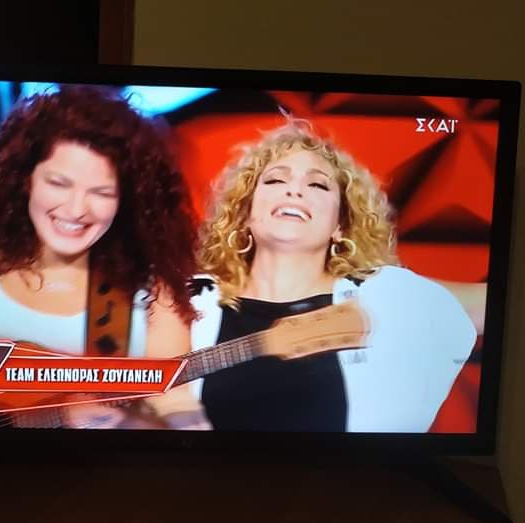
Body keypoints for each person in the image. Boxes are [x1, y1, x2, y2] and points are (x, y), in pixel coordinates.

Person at [0, 85, 206, 428]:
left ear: (124, 200)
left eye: (101, 193)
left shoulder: (152, 294)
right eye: (58, 183)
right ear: (26, 180)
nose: (76, 209)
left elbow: (176, 404)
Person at [188, 116, 477, 433]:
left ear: (340, 226)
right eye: (275, 180)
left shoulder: (388, 296)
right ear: (245, 213)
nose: (294, 191)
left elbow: (499, 305)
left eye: (317, 184)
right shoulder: (185, 301)